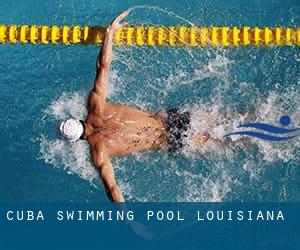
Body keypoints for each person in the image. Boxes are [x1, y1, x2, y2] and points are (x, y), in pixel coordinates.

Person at [58, 11, 210, 202]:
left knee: (228, 141)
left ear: (76, 140)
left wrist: (129, 221)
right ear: (76, 119)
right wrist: (109, 33)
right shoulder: (95, 105)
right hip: (172, 118)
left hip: (171, 140)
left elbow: (112, 189)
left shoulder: (99, 152)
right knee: (226, 118)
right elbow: (103, 66)